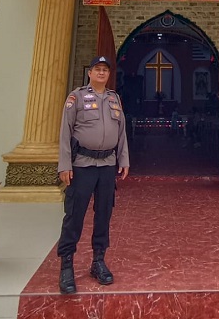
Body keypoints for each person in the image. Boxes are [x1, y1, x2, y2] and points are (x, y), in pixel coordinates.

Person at [56, 56, 130, 294]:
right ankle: (66, 264)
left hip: (107, 165)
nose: (101, 73)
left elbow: (121, 132)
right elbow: (65, 132)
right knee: (75, 215)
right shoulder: (76, 97)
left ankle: (98, 260)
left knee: (104, 214)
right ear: (90, 73)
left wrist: (124, 160)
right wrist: (64, 165)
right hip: (82, 165)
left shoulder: (114, 99)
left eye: (105, 70)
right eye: (97, 69)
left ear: (108, 75)